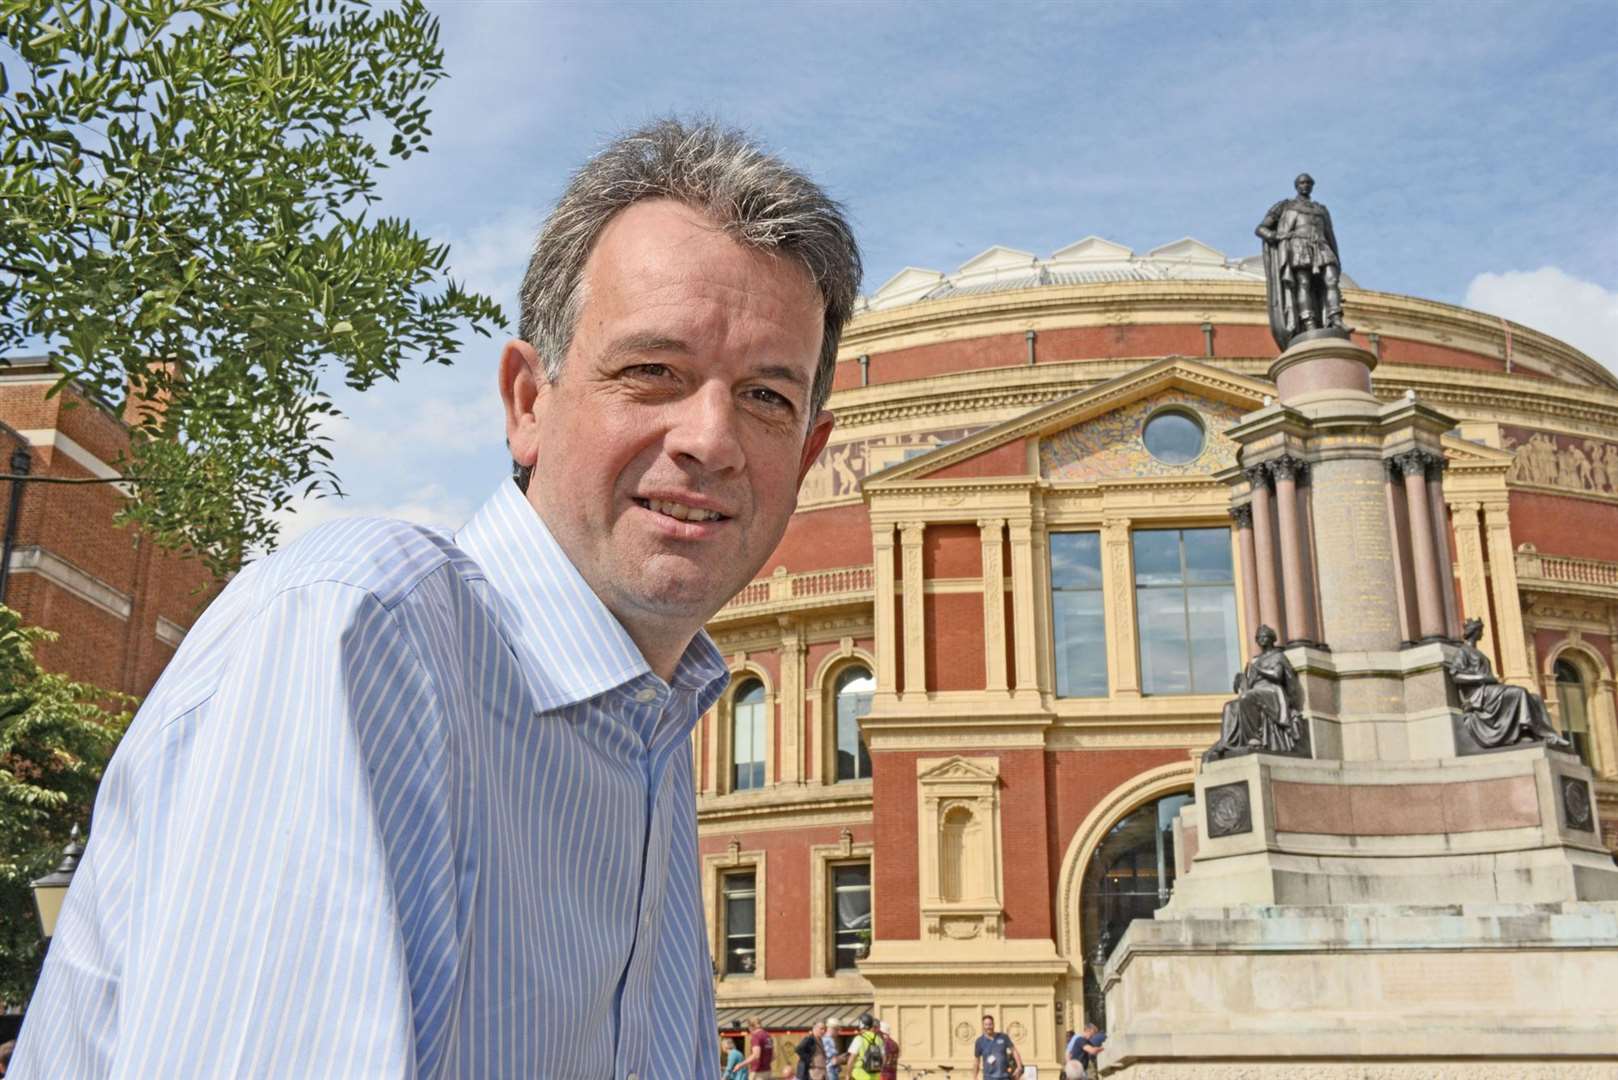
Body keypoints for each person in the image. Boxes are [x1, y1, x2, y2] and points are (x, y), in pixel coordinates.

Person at [8, 119, 861, 1078]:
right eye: (652, 371)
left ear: (809, 455)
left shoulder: (648, 745)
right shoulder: (360, 634)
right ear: (527, 402)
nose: (711, 437)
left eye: (766, 398)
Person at [1445, 617, 1571, 750]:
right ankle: (1524, 731)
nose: (1482, 633)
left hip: (1490, 689)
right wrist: (1481, 677)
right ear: (1474, 632)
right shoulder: (1462, 652)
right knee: (1519, 692)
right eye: (1480, 630)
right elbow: (1456, 675)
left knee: (1536, 699)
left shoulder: (1478, 653)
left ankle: (1549, 735)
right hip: (1478, 694)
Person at [1255, 172, 1343, 349]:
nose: (1305, 185)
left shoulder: (1321, 209)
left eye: (1309, 183)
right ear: (1297, 186)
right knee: (1304, 283)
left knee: (1331, 280)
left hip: (1321, 245)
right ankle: (1308, 321)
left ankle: (1336, 319)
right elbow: (1261, 228)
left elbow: (1330, 234)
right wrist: (1277, 236)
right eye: (1302, 183)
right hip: (1298, 246)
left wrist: (1337, 258)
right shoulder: (1285, 206)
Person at [1205, 624, 1304, 760]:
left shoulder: (1278, 656)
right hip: (1256, 690)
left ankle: (1254, 738)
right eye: (1259, 637)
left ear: (1271, 639)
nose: (1261, 639)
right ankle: (1227, 742)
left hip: (1271, 690)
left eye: (1264, 636)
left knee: (1247, 697)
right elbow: (1248, 685)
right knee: (1229, 706)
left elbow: (1277, 676)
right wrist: (1241, 681)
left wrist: (1258, 670)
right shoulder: (1257, 659)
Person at [972, 1014, 1023, 1080]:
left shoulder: (1003, 1037)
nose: (988, 1027)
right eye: (986, 1024)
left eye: (990, 1024)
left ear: (993, 1024)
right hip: (988, 1077)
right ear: (983, 1026)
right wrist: (975, 1077)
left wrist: (1019, 1066)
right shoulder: (979, 1041)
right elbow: (977, 1060)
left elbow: (1014, 1051)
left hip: (1004, 1076)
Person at [847, 1013, 883, 1080]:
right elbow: (883, 1058)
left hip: (859, 1075)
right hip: (875, 1076)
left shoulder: (859, 1038)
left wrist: (848, 1074)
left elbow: (851, 1058)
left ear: (861, 1024)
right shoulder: (879, 1040)